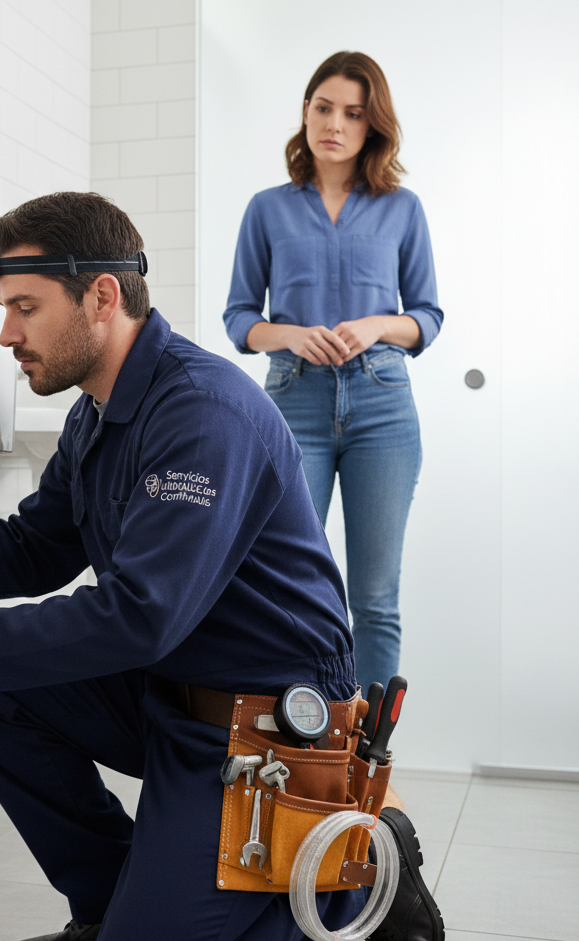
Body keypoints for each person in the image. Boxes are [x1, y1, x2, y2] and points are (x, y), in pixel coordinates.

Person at [0, 192, 442, 941]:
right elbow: (35, 545)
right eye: (7, 311)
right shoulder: (100, 410)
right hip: (171, 698)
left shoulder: (201, 414)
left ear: (102, 297)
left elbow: (142, 615)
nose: (8, 335)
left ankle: (358, 867)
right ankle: (112, 908)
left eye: (25, 309)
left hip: (266, 730)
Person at [224, 51, 443, 694]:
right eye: (324, 108)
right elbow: (240, 318)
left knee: (375, 596)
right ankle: (298, 738)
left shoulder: (402, 209)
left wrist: (378, 324)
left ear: (372, 125)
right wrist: (289, 333)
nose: (336, 124)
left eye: (353, 113)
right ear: (306, 112)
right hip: (294, 402)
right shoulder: (267, 209)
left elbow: (426, 316)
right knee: (283, 581)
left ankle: (367, 755)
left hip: (382, 404)